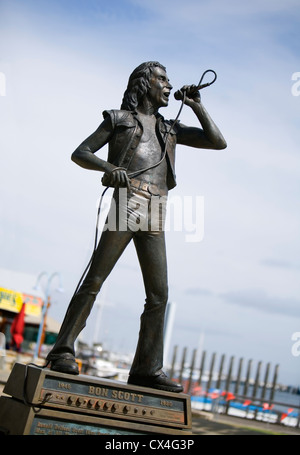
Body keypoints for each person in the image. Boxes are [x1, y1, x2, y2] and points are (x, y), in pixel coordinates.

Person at [46, 61, 226, 393]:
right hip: (126, 202)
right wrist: (109, 167)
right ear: (145, 84)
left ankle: (147, 368)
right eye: (163, 79)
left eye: (170, 80)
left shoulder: (170, 129)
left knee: (159, 295)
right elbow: (81, 152)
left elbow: (217, 142)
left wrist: (198, 106)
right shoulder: (120, 119)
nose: (169, 86)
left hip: (157, 207)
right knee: (96, 279)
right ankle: (63, 351)